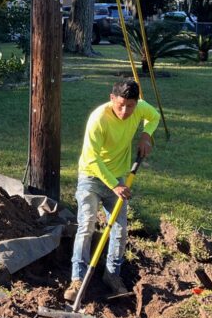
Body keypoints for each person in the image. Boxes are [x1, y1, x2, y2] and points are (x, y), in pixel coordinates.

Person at [64, 79, 159, 302]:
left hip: (118, 177)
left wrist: (146, 135)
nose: (126, 111)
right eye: (121, 105)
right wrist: (114, 185)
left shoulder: (139, 108)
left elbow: (153, 117)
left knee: (120, 229)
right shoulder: (98, 119)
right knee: (86, 224)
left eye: (131, 106)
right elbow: (91, 158)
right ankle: (77, 280)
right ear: (112, 99)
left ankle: (112, 275)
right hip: (92, 176)